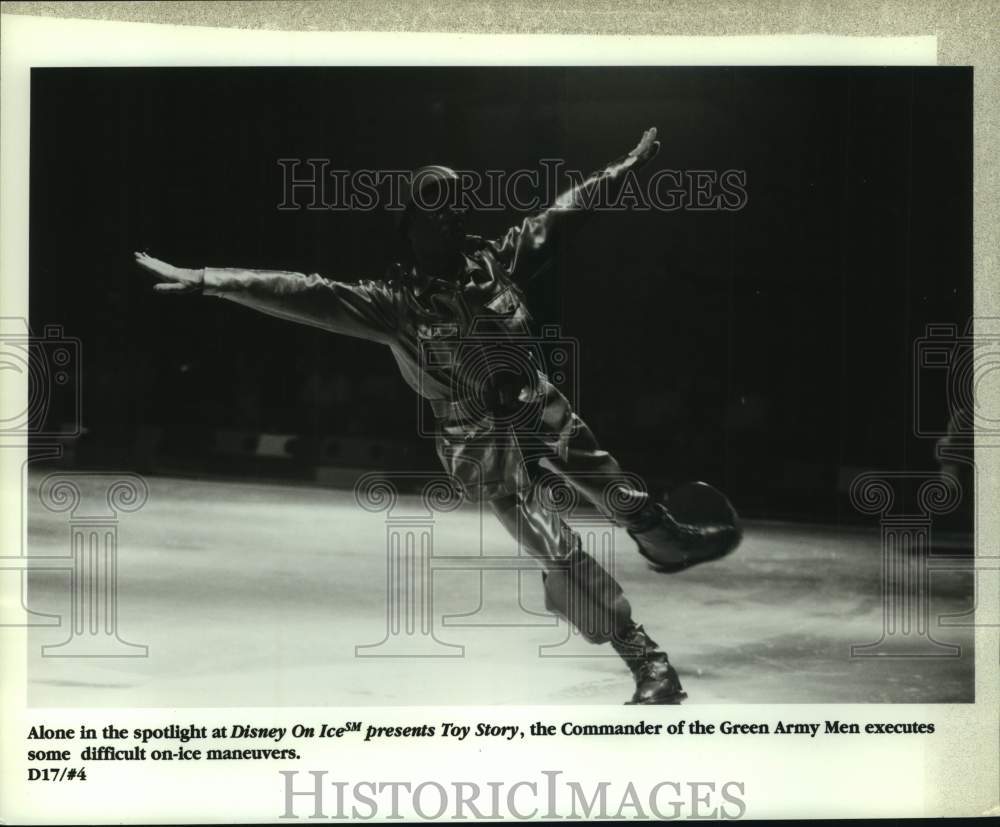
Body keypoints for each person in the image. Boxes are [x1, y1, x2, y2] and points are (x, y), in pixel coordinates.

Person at [135, 127, 741, 704]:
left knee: (620, 494)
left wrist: (626, 168)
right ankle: (644, 657)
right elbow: (302, 291)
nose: (449, 215)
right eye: (434, 207)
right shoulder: (393, 306)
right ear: (411, 227)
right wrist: (212, 280)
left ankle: (664, 540)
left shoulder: (497, 262)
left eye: (455, 206)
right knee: (559, 550)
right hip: (482, 450)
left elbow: (566, 211)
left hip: (543, 414)